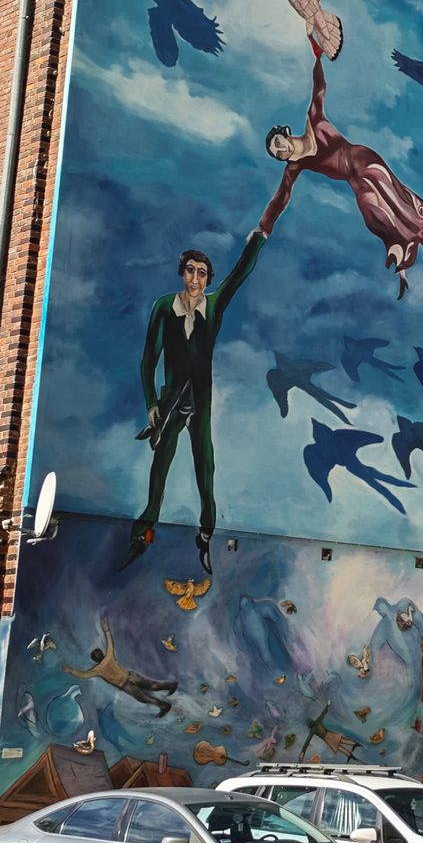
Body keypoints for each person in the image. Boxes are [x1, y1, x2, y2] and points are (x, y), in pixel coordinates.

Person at [127, 150, 312, 571]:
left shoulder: (213, 306)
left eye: (202, 274)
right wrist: (152, 404)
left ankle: (207, 533)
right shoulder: (163, 308)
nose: (195, 279)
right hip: (172, 399)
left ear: (208, 280)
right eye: (190, 271)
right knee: (161, 463)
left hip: (201, 401)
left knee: (204, 466)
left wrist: (267, 224)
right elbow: (146, 360)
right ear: (182, 274)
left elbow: (244, 269)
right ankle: (143, 528)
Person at [264, 46, 423, 299]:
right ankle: (401, 253)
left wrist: (317, 57)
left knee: (391, 196)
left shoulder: (313, 120)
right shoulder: (295, 166)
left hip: (364, 160)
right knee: (374, 214)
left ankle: (420, 229)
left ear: (286, 133)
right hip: (354, 180)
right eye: (277, 154)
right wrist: (265, 227)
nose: (282, 152)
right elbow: (282, 196)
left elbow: (319, 90)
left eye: (279, 144)